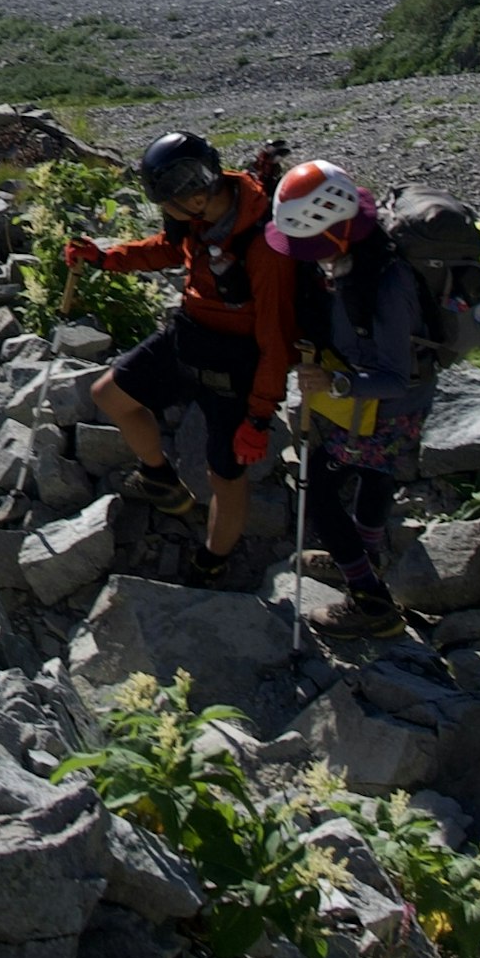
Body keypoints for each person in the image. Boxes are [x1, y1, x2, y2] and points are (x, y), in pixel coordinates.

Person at [70, 131, 294, 573]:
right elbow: (169, 249)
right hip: (189, 337)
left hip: (236, 366)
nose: (163, 213)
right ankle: (159, 477)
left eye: (165, 204)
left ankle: (212, 561)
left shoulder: (266, 246)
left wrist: (259, 417)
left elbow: (275, 337)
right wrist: (105, 258)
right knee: (109, 395)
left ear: (194, 198)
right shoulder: (201, 213)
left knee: (225, 479)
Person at [268, 155, 427, 614]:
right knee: (377, 473)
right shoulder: (353, 261)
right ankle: (365, 554)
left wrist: (334, 383)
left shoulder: (387, 282)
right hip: (383, 404)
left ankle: (368, 601)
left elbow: (394, 378)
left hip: (384, 407)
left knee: (317, 490)